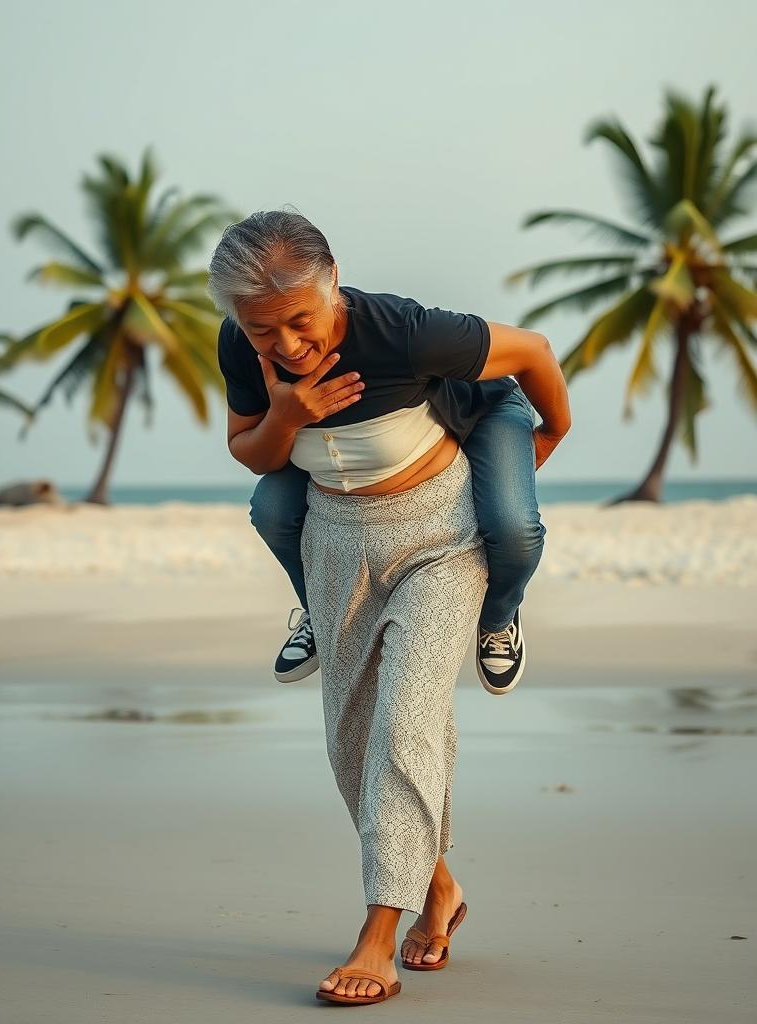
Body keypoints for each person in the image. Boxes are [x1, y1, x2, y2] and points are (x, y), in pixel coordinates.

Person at [209, 210, 571, 1006]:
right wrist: (288, 414)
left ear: (331, 282)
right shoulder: (245, 345)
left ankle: (378, 933)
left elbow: (535, 353)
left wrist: (556, 431)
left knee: (406, 723)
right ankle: (437, 889)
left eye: (299, 320)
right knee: (352, 746)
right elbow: (252, 452)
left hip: (442, 536)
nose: (288, 345)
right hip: (336, 542)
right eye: (263, 329)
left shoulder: (405, 333)